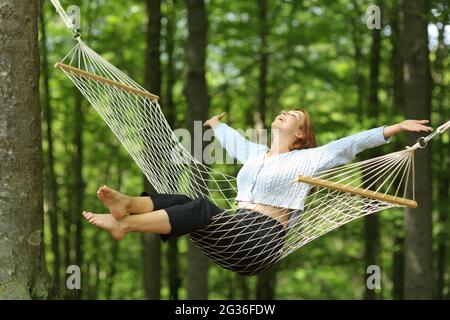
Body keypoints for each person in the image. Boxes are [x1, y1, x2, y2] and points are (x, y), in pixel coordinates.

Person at [82, 109, 432, 275]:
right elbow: (237, 144)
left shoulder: (311, 159)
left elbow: (350, 143)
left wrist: (395, 128)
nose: (283, 113)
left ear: (300, 134)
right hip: (236, 230)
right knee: (185, 201)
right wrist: (217, 126)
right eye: (282, 111)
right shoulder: (256, 155)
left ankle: (125, 225)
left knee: (202, 207)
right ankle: (127, 205)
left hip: (261, 240)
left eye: (292, 115)